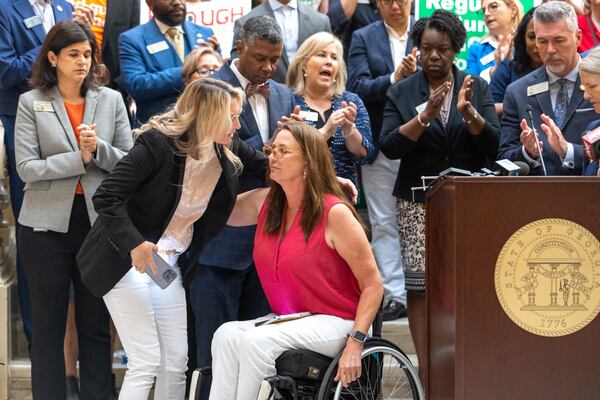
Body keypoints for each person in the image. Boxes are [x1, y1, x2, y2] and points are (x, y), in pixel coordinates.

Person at [76, 78, 267, 399]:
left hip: (165, 264)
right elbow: (107, 196)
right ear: (209, 117)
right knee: (146, 360)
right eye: (232, 117)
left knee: (176, 362)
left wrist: (327, 180)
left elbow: (269, 168)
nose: (238, 124)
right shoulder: (157, 145)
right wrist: (135, 244)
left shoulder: (227, 147)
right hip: (126, 260)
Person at [209, 121, 383, 400]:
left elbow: (374, 285)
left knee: (256, 342)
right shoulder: (267, 202)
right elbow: (216, 209)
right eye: (271, 149)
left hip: (339, 320)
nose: (272, 157)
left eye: (283, 151)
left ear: (308, 162)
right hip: (292, 319)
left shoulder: (335, 214)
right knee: (225, 335)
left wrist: (356, 344)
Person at [379, 9, 501, 385]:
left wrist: (469, 116)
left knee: (468, 281)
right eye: (427, 49)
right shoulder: (402, 91)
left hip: (466, 202)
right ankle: (427, 370)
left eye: (443, 50)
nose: (434, 56)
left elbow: (493, 144)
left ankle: (468, 362)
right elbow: (389, 146)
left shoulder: (475, 86)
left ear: (456, 51)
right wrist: (424, 117)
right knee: (420, 286)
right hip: (417, 202)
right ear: (417, 49)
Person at [14, 20, 132, 400]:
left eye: (87, 54)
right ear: (53, 58)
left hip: (97, 226)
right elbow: (27, 169)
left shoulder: (111, 100)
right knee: (47, 327)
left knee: (95, 323)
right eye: (73, 54)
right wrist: (78, 159)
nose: (83, 61)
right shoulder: (31, 102)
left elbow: (129, 163)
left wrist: (97, 150)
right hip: (43, 228)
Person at [190, 17, 295, 400]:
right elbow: (208, 151)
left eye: (275, 60)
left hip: (270, 243)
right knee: (211, 356)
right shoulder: (208, 88)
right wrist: (272, 146)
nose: (268, 67)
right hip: (219, 242)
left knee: (259, 356)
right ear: (238, 48)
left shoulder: (284, 94)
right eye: (260, 58)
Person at [0, 0, 74, 353]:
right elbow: (5, 69)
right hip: (22, 124)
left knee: (72, 230)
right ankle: (38, 338)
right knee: (34, 233)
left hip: (67, 123)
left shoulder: (64, 6)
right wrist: (53, 47)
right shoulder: (4, 7)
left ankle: (69, 342)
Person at [347, 0, 417, 320]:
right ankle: (395, 294)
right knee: (383, 220)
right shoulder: (364, 36)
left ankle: (424, 288)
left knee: (424, 219)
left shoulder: (426, 31)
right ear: (377, 3)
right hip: (379, 142)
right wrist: (393, 77)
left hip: (422, 143)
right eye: (387, 0)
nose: (395, 5)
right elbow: (356, 88)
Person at [498, 1, 597, 176]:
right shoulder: (517, 92)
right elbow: (503, 159)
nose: (550, 50)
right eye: (542, 41)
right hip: (537, 199)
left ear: (578, 37)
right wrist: (527, 153)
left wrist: (568, 151)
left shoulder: (597, 84)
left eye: (559, 40)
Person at [286, 31, 376, 186]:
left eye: (334, 58)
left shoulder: (351, 101)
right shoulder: (288, 101)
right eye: (321, 55)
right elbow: (286, 154)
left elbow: (365, 155)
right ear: (304, 66)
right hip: (299, 194)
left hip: (342, 199)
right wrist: (326, 130)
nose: (329, 62)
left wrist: (350, 130)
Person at [119, 0, 219, 125]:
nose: (177, 2)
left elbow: (221, 84)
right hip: (158, 129)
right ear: (150, 3)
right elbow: (136, 85)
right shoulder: (132, 39)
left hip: (204, 123)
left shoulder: (205, 33)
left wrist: (215, 64)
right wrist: (188, 70)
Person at [231, 0, 332, 83]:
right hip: (266, 100)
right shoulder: (244, 23)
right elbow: (239, 72)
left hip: (313, 100)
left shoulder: (321, 21)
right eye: (260, 58)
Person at [539, 47, 600, 174]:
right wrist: (564, 149)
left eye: (592, 86)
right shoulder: (593, 129)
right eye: (584, 87)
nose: (586, 96)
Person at [490, 8, 543, 117]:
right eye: (532, 37)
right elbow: (489, 108)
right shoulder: (508, 68)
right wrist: (518, 104)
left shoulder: (559, 71)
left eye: (543, 38)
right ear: (523, 38)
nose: (537, 44)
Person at [467, 0, 524, 82]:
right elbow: (471, 87)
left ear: (513, 9)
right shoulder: (476, 49)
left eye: (493, 6)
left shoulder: (527, 43)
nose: (486, 13)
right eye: (483, 10)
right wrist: (494, 71)